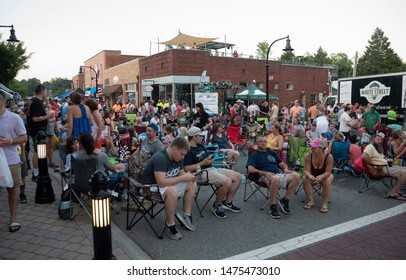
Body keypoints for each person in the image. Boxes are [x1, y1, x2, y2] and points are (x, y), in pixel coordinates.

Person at [141, 137, 197, 240]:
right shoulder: (160, 158)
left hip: (166, 183)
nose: (183, 157)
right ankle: (170, 223)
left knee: (192, 184)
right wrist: (183, 177)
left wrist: (189, 177)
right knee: (172, 191)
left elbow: (181, 173)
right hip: (151, 187)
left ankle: (186, 215)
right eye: (182, 154)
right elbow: (161, 182)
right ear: (175, 149)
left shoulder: (177, 157)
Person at [184, 127, 242, 219]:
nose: (202, 138)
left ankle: (228, 202)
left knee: (238, 176)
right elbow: (187, 168)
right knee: (227, 181)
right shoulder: (188, 150)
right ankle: (217, 205)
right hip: (200, 173)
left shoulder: (200, 145)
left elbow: (207, 157)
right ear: (194, 137)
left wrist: (210, 158)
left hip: (211, 168)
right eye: (200, 136)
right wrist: (203, 163)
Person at [247, 136, 300, 219]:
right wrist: (264, 173)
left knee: (296, 176)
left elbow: (281, 164)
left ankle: (285, 200)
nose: (264, 143)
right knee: (275, 178)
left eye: (265, 141)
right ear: (256, 143)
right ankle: (273, 206)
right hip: (264, 177)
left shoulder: (271, 152)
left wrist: (285, 169)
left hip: (278, 175)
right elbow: (250, 169)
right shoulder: (255, 154)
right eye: (261, 141)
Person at [0, 89, 28, 232]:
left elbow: (24, 137)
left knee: (12, 189)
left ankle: (13, 218)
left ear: (4, 101)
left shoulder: (14, 118)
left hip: (10, 160)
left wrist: (10, 141)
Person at [362, 133, 406, 201]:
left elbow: (379, 158)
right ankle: (393, 192)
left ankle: (397, 190)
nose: (380, 142)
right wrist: (374, 165)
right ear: (373, 140)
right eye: (378, 140)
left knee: (404, 170)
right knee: (405, 173)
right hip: (382, 168)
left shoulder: (377, 148)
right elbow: (364, 156)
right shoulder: (370, 146)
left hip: (386, 166)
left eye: (381, 140)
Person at [26, 85, 55, 181]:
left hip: (35, 131)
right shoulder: (37, 103)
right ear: (42, 92)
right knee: (37, 152)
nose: (46, 94)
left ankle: (38, 172)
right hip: (38, 131)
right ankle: (36, 173)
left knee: (38, 152)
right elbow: (35, 118)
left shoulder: (32, 101)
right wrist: (48, 116)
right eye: (46, 91)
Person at [302, 138, 334, 213]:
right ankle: (311, 201)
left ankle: (325, 203)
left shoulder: (329, 157)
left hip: (325, 175)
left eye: (314, 147)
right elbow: (306, 170)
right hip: (313, 175)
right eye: (311, 147)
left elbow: (328, 172)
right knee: (305, 178)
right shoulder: (308, 156)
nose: (312, 149)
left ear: (321, 148)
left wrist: (322, 176)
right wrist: (309, 175)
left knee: (327, 180)